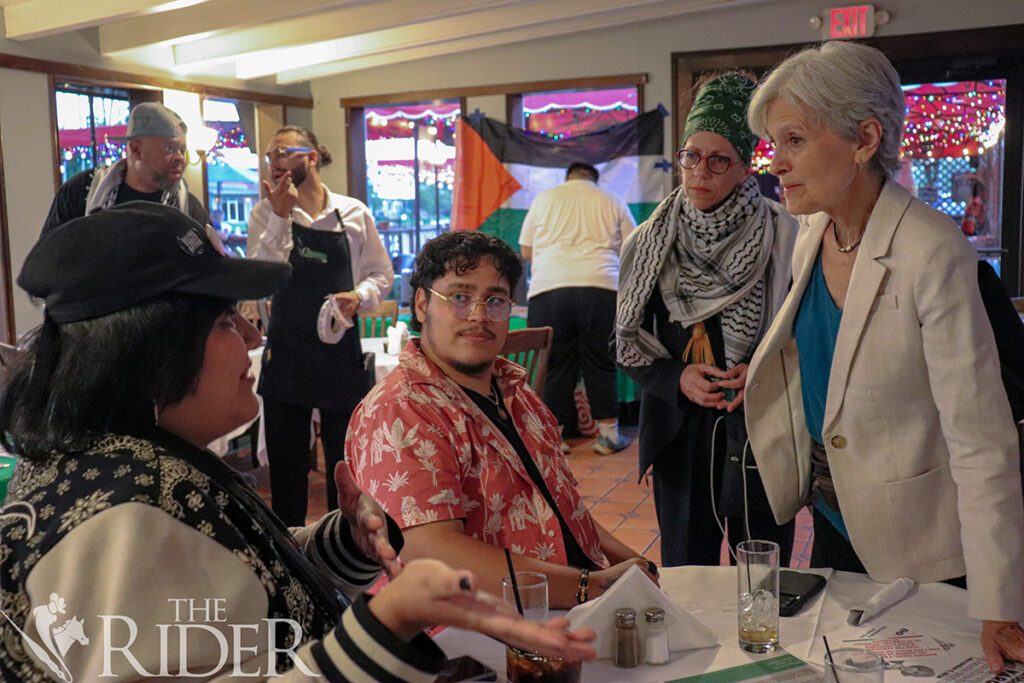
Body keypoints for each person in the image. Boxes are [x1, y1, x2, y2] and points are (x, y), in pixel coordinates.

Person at [0, 202, 596, 681]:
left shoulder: (141, 460)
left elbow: (231, 586)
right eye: (224, 321)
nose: (252, 338)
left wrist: (347, 542)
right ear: (148, 351)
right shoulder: (114, 521)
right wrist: (387, 624)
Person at [742, 41, 1024, 672]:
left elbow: (982, 440)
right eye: (772, 141)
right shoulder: (810, 233)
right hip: (837, 520)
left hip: (925, 547)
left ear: (865, 138)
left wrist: (999, 603)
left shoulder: (932, 250)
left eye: (793, 139)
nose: (774, 161)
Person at [347, 231, 659, 608]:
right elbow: (429, 553)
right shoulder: (401, 410)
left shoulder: (515, 392)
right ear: (421, 304)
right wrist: (589, 587)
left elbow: (560, 506)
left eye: (494, 300)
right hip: (476, 634)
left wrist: (631, 562)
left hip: (569, 603)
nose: (479, 316)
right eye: (459, 297)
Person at [615, 73, 798, 568]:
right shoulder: (650, 239)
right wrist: (677, 377)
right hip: (679, 426)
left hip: (755, 420)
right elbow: (630, 343)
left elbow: (799, 331)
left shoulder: (785, 234)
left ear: (744, 167)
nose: (700, 172)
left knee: (760, 564)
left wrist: (759, 376)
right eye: (691, 156)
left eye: (719, 160)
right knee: (685, 565)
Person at [248, 126, 394, 526]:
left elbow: (382, 274)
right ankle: (293, 554)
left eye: (281, 152)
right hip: (288, 353)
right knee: (287, 472)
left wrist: (359, 296)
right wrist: (280, 216)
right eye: (269, 156)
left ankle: (345, 551)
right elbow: (264, 275)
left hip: (340, 354)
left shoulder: (353, 213)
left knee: (346, 469)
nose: (273, 162)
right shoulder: (264, 212)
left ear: (311, 157)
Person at [520, 162, 636, 454]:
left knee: (556, 363)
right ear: (594, 179)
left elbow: (526, 251)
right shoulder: (611, 199)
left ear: (567, 176)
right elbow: (633, 246)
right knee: (600, 360)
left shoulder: (544, 199)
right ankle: (609, 435)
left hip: (548, 289)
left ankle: (555, 438)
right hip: (601, 287)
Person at [41, 102, 208, 236]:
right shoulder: (82, 192)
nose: (180, 158)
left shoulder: (188, 206)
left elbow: (209, 266)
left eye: (182, 150)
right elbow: (47, 260)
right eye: (170, 149)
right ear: (136, 150)